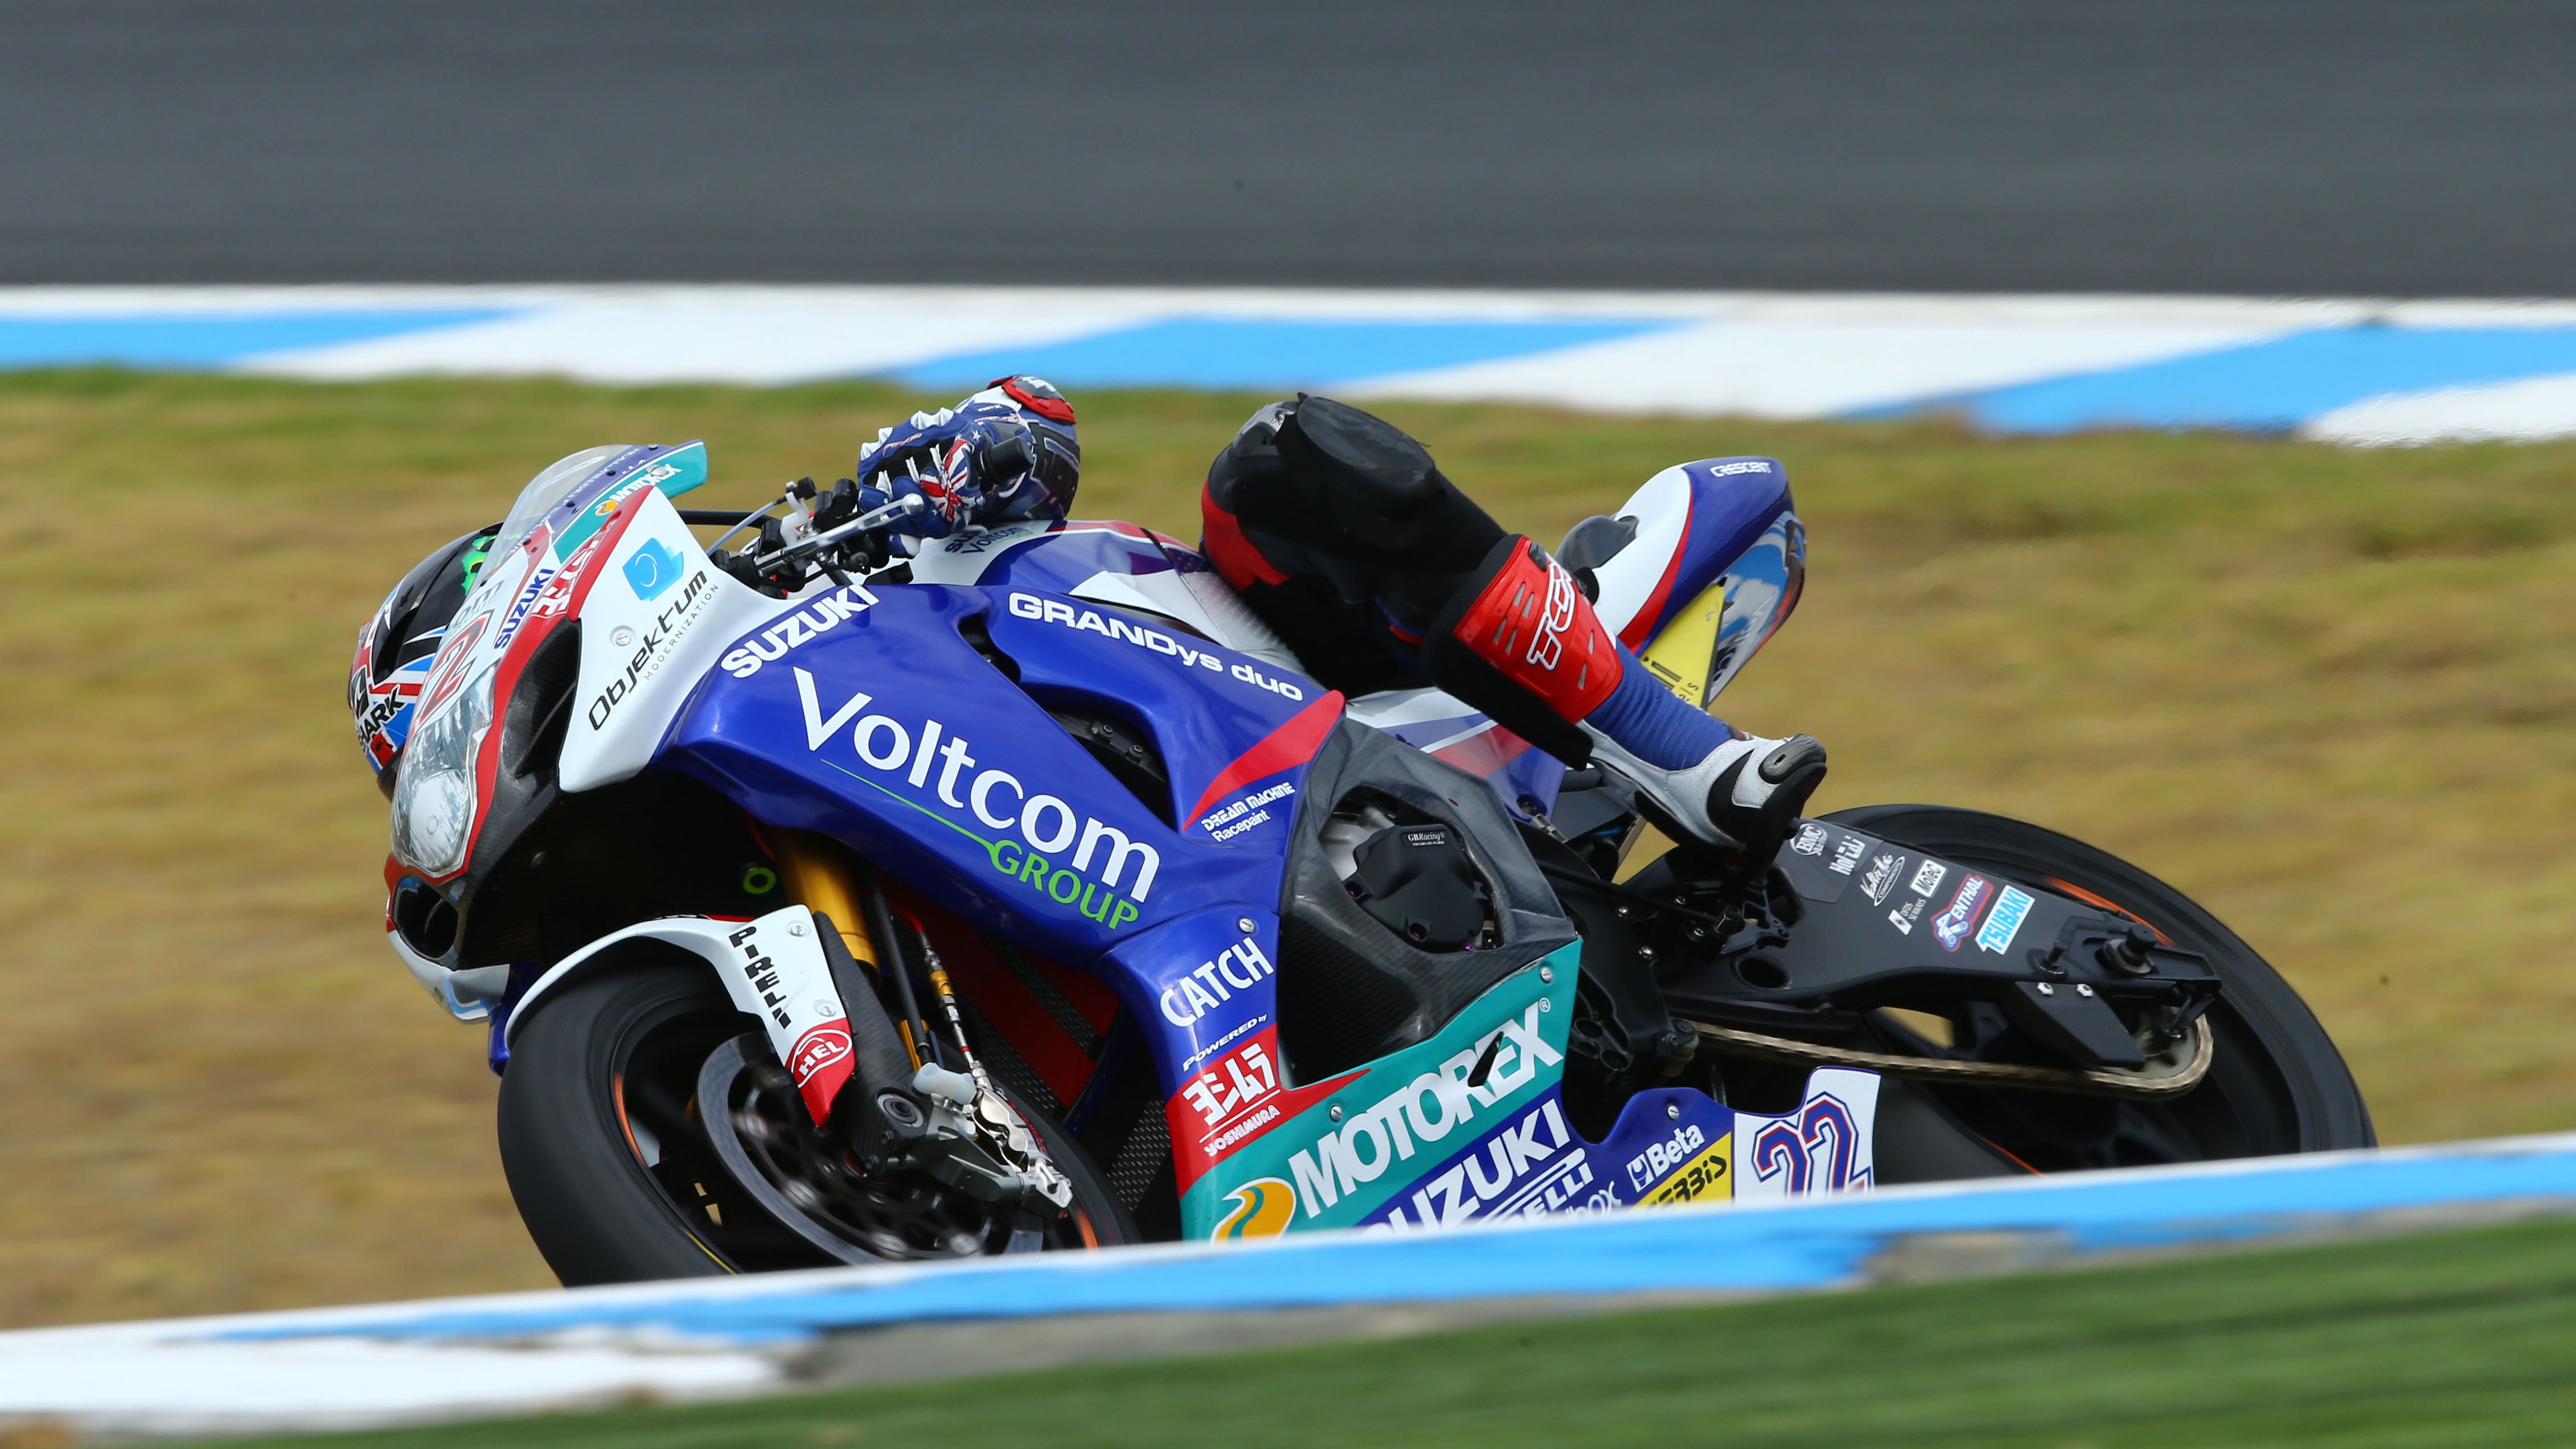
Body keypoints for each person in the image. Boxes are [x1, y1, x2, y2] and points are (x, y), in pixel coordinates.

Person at [852, 381, 1826, 857]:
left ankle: (1694, 762)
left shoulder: (881, 563)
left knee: (1278, 459)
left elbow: (1035, 422)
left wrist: (953, 455)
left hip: (1341, 703)